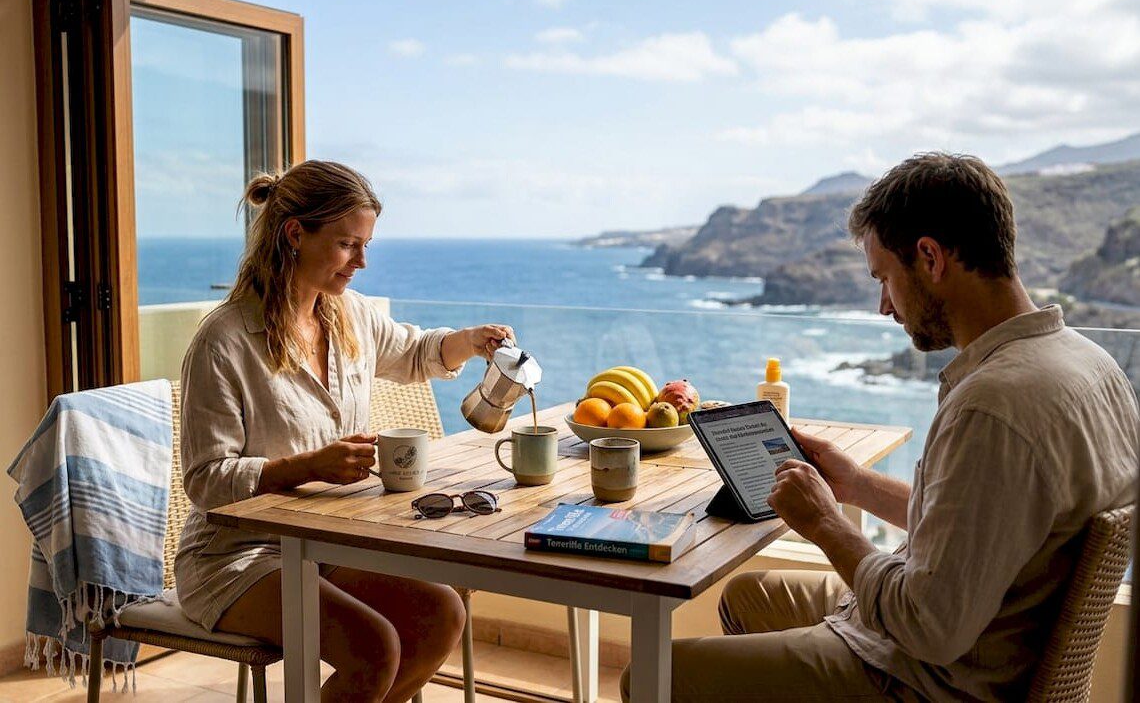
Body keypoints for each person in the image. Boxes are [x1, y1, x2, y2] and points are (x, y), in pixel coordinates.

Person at [625, 153, 1139, 701]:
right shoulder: (1092, 365)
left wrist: (826, 523)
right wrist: (856, 488)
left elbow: (926, 625)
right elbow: (983, 522)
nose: (883, 306)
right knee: (748, 595)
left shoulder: (992, 406)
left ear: (930, 257)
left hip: (925, 678)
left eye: (885, 278)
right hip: (977, 640)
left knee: (649, 678)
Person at [174, 160, 516, 703]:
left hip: (326, 539)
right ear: (294, 234)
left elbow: (411, 352)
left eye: (365, 245)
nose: (361, 262)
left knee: (442, 613)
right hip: (238, 555)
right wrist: (306, 467)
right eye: (347, 245)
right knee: (374, 645)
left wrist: (470, 341)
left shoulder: (349, 313)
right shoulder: (225, 340)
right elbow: (206, 480)